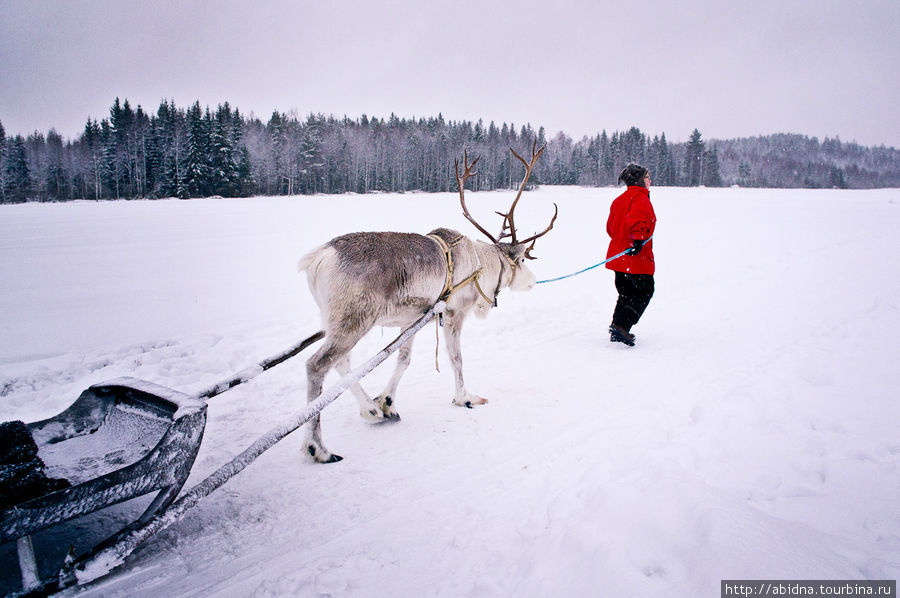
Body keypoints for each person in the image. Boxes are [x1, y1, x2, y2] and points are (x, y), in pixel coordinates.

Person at [605, 163, 656, 346]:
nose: (650, 180)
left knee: (626, 294)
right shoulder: (640, 199)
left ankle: (617, 327)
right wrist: (638, 239)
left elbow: (611, 229)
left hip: (619, 258)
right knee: (645, 291)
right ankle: (621, 327)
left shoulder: (619, 200)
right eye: (647, 177)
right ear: (639, 180)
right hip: (635, 258)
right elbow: (636, 222)